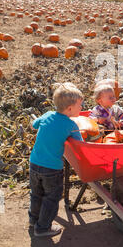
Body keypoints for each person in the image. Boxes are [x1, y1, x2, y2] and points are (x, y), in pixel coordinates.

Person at [29, 82, 84, 237]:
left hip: (34, 164)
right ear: (70, 109)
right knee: (51, 198)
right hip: (52, 169)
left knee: (36, 194)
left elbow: (34, 125)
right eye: (80, 105)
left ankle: (33, 220)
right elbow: (81, 144)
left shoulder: (47, 115)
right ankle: (43, 227)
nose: (82, 107)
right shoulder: (71, 125)